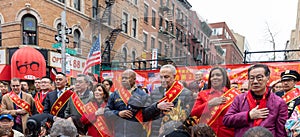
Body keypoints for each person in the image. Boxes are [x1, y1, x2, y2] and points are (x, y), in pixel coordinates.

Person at [223, 64, 288, 137]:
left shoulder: (279, 102)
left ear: (268, 78)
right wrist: (248, 115)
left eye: (259, 78)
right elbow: (227, 120)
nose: (255, 81)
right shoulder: (239, 99)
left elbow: (281, 130)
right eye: (252, 78)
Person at [104, 69, 162, 137]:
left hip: (137, 133)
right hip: (119, 133)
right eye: (122, 78)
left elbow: (147, 115)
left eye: (126, 78)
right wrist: (118, 113)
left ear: (134, 79)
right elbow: (106, 112)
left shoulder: (143, 95)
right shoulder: (115, 95)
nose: (123, 80)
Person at [190, 67, 240, 137]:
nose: (214, 77)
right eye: (212, 76)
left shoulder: (235, 95)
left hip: (228, 134)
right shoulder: (202, 94)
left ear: (224, 78)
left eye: (218, 75)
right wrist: (209, 104)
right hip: (207, 134)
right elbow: (193, 113)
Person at [145, 64, 193, 137]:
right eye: (161, 77)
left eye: (166, 77)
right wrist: (156, 106)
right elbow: (144, 113)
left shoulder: (186, 93)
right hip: (155, 133)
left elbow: (188, 118)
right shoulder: (155, 92)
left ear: (174, 76)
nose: (163, 80)